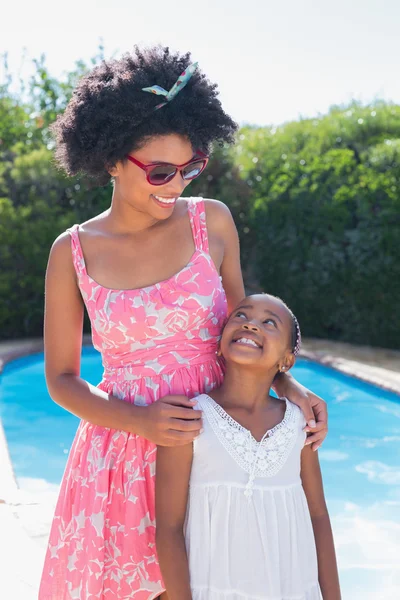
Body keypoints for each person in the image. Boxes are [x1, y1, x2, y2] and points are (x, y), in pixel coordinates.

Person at [39, 46, 328, 600]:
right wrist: (139, 421)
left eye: (190, 167)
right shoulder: (70, 252)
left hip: (216, 440)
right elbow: (61, 379)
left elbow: (245, 332)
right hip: (121, 453)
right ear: (110, 159)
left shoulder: (211, 223)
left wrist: (291, 386)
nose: (177, 185)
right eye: (161, 171)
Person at [156, 294, 341, 600]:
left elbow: (318, 516)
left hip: (291, 588)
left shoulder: (299, 423)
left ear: (286, 361)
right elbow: (169, 528)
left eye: (269, 322)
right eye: (241, 316)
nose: (251, 325)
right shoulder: (189, 418)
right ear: (219, 341)